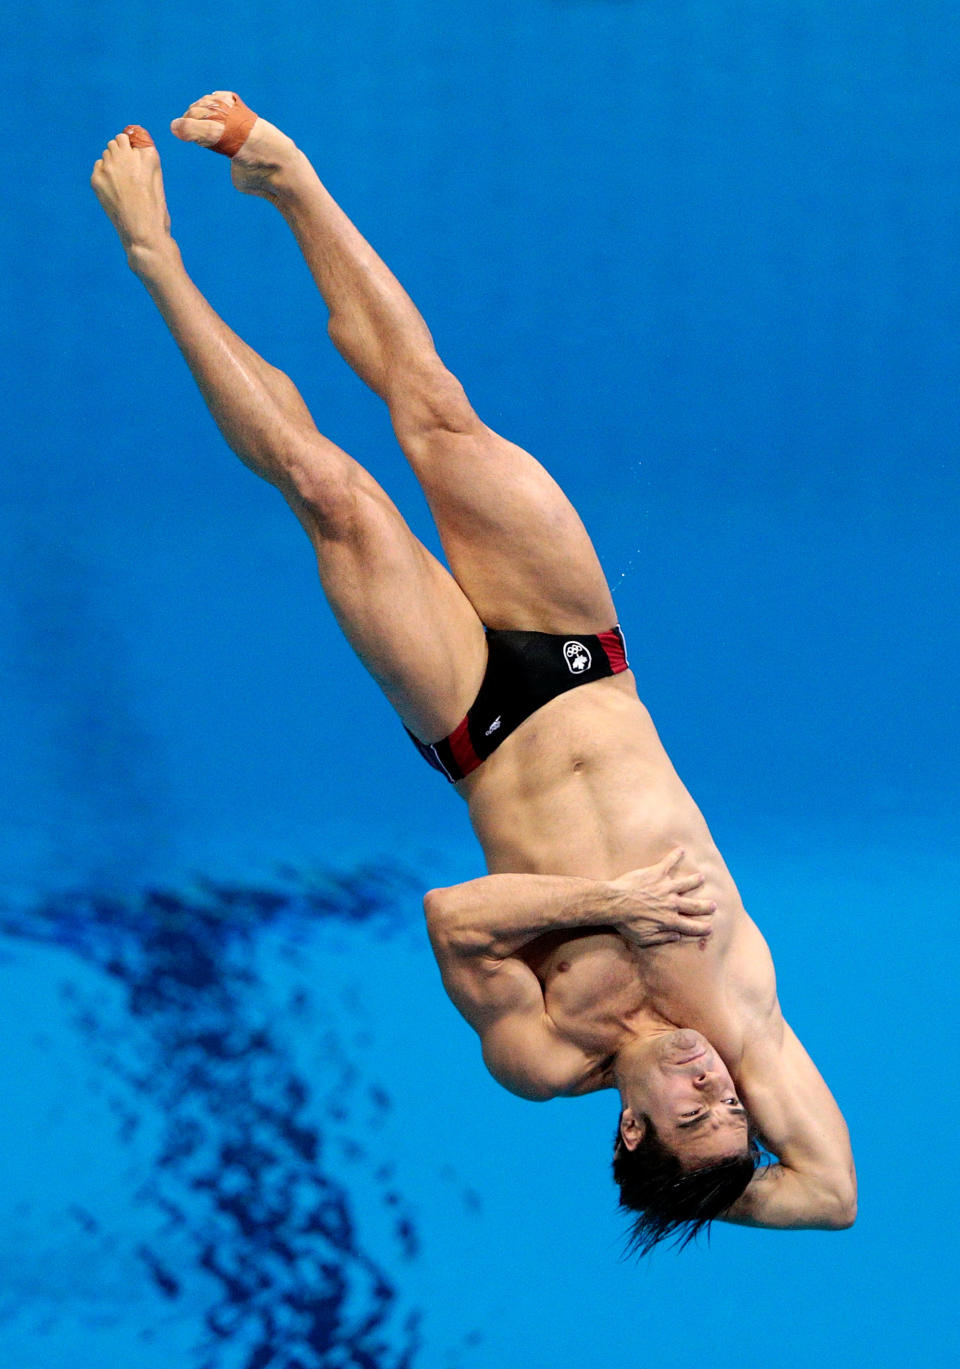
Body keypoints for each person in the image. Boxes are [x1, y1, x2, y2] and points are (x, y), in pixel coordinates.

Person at [91, 94, 856, 1253]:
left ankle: (156, 259)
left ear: (630, 1133)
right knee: (436, 409)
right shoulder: (738, 1017)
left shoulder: (545, 1055)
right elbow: (833, 1198)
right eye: (730, 1107)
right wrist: (705, 1177)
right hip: (584, 655)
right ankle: (284, 174)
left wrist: (614, 906)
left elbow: (454, 917)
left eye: (691, 1111)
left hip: (472, 722)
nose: (714, 1082)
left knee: (327, 490)